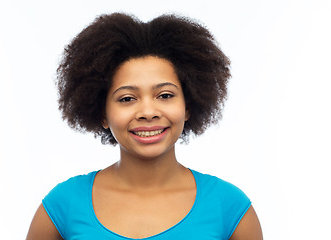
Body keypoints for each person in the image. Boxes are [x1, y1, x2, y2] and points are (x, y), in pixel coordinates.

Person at [26, 13, 263, 240]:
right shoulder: (63, 205)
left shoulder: (230, 208)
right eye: (127, 98)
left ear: (188, 106)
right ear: (102, 113)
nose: (148, 112)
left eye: (165, 95)